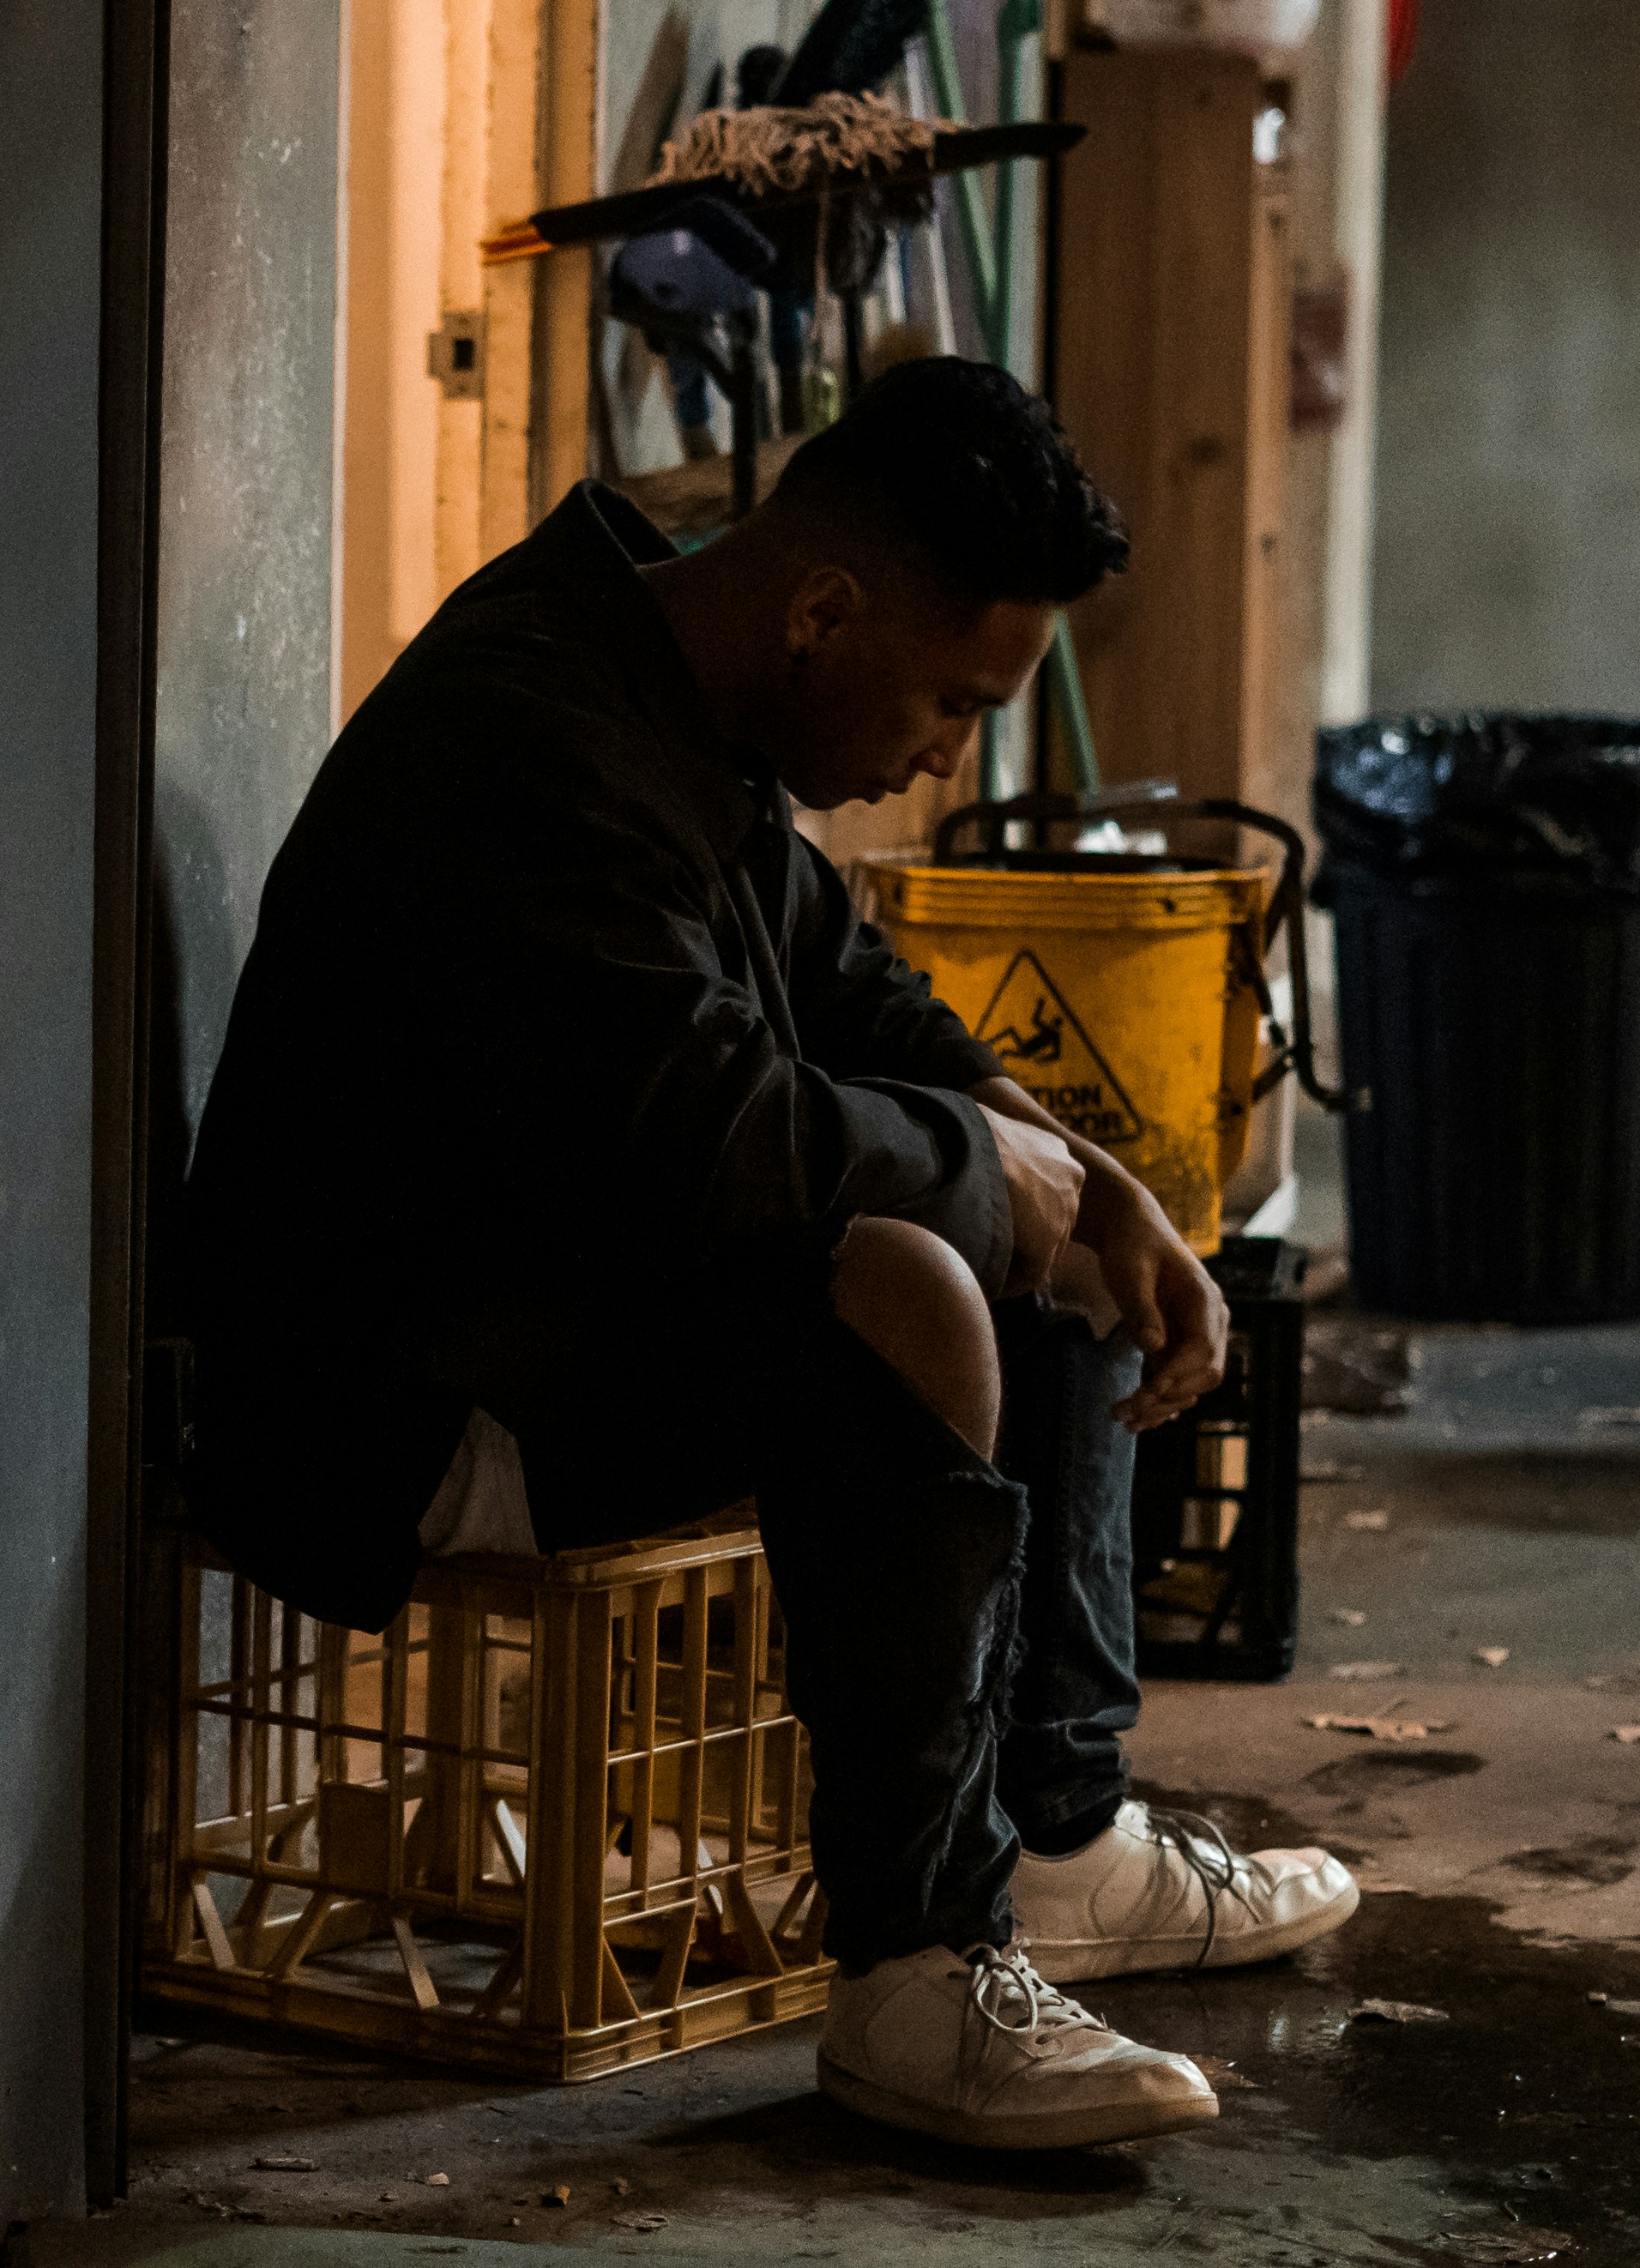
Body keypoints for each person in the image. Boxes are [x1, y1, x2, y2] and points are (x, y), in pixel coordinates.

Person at [178, 358, 1354, 2150]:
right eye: (954, 703)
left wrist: (1083, 1172)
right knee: (910, 1285)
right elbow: (713, 1149)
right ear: (824, 610)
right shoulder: (533, 741)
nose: (945, 756)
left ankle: (1058, 1841)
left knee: (1042, 1227)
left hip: (546, 1312)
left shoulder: (677, 689)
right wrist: (991, 1179)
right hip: (380, 1410)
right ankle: (914, 1974)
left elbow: (845, 988)